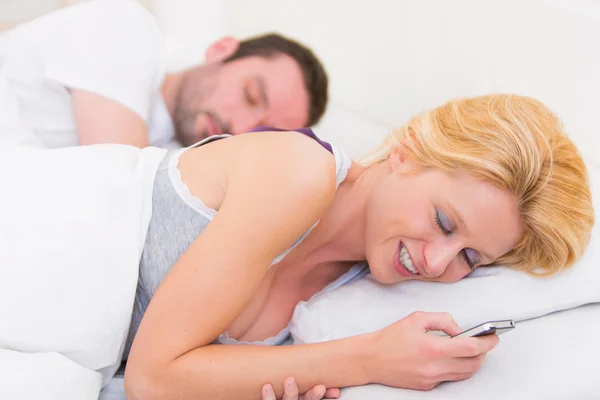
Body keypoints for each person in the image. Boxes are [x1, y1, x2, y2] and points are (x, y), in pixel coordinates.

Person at [2, 94, 595, 400]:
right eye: (444, 221)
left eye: (471, 259)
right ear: (407, 151)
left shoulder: (341, 297)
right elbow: (155, 378)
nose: (437, 262)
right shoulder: (299, 170)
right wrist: (368, 359)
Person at [0, 0, 327, 149]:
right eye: (250, 96)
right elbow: (109, 189)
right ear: (221, 49)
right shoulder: (128, 29)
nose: (239, 128)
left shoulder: (176, 155)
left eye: (261, 131)